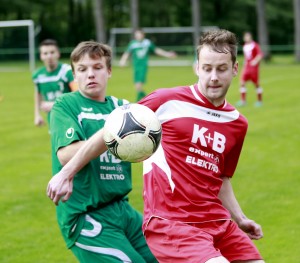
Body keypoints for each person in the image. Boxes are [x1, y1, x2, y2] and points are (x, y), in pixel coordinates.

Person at [47, 30, 265, 263]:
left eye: (221, 69)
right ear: (196, 68)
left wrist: (240, 218)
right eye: (207, 68)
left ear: (234, 69)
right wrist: (67, 173)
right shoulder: (166, 101)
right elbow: (113, 131)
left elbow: (221, 178)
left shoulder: (237, 123)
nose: (213, 77)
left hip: (219, 223)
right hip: (174, 224)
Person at [48, 41, 157, 263]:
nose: (90, 74)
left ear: (108, 71)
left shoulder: (122, 107)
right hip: (86, 216)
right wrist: (116, 134)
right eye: (82, 69)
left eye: (97, 67)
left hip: (123, 209)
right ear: (74, 74)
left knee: (166, 257)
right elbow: (66, 154)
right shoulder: (66, 104)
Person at [119, 29, 176, 101]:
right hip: (136, 67)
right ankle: (148, 99)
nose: (137, 36)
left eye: (139, 34)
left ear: (143, 35)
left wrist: (167, 54)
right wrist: (122, 60)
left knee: (138, 86)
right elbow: (127, 53)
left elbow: (156, 50)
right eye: (136, 35)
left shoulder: (147, 43)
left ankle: (139, 102)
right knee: (137, 87)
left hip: (143, 67)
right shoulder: (133, 44)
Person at [32, 39, 77, 127]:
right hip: (53, 119)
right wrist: (37, 115)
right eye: (45, 53)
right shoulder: (38, 75)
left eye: (52, 52)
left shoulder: (67, 71)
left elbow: (78, 94)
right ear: (41, 56)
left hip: (70, 117)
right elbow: (38, 93)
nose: (49, 56)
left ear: (58, 53)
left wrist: (54, 105)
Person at [237, 32, 263, 107]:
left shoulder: (254, 45)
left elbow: (260, 54)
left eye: (247, 36)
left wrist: (255, 61)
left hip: (253, 68)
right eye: (245, 37)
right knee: (242, 82)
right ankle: (243, 101)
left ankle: (259, 101)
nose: (246, 38)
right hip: (246, 67)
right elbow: (246, 57)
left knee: (256, 84)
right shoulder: (245, 46)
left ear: (250, 37)